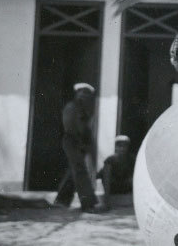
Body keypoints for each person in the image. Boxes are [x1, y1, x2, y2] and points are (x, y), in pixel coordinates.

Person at [54, 83, 103, 213]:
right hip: (72, 140)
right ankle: (88, 203)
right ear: (77, 93)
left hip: (79, 142)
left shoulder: (83, 109)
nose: (84, 95)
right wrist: (82, 141)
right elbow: (72, 127)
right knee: (80, 170)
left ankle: (61, 200)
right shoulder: (72, 107)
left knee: (74, 170)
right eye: (82, 92)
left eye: (87, 93)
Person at [97, 135, 136, 209]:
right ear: (116, 147)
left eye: (124, 146)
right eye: (119, 146)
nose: (122, 149)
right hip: (113, 187)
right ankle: (107, 201)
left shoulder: (131, 159)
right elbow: (104, 177)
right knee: (106, 173)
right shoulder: (110, 160)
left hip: (125, 187)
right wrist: (106, 198)